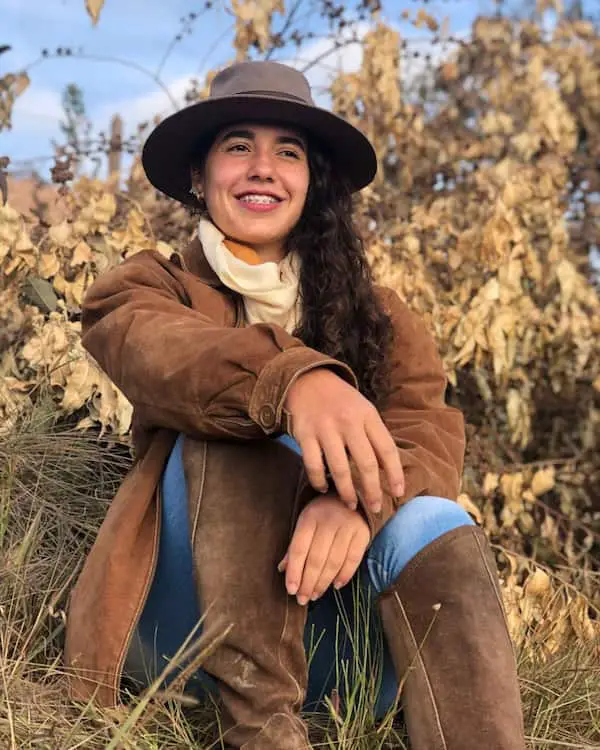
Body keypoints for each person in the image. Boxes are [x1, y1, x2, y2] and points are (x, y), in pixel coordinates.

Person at [64, 61, 526, 749]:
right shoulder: (147, 287)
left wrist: (361, 504)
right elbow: (155, 350)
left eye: (288, 152)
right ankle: (262, 736)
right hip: (183, 636)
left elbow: (427, 434)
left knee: (435, 516)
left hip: (338, 655)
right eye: (239, 146)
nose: (263, 168)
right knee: (232, 425)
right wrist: (296, 383)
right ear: (199, 174)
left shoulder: (381, 317)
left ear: (311, 183)